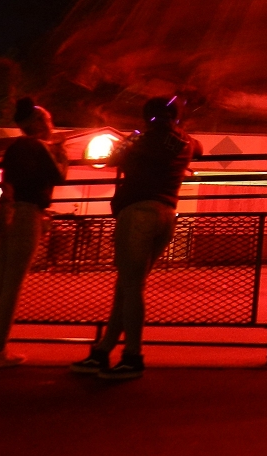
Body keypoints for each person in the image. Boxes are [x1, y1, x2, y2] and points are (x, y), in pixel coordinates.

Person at [71, 97, 201, 380]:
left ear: (147, 117)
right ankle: (103, 350)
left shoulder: (143, 140)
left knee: (130, 287)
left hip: (138, 213)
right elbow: (197, 148)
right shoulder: (186, 142)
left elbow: (111, 158)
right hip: (166, 213)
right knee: (128, 287)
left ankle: (133, 356)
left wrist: (133, 138)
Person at [0, 98, 68, 368]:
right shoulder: (40, 147)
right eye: (48, 120)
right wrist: (61, 152)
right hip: (27, 215)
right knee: (13, 285)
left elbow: (3, 181)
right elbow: (60, 176)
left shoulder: (13, 148)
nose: (52, 125)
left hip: (7, 212)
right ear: (36, 123)